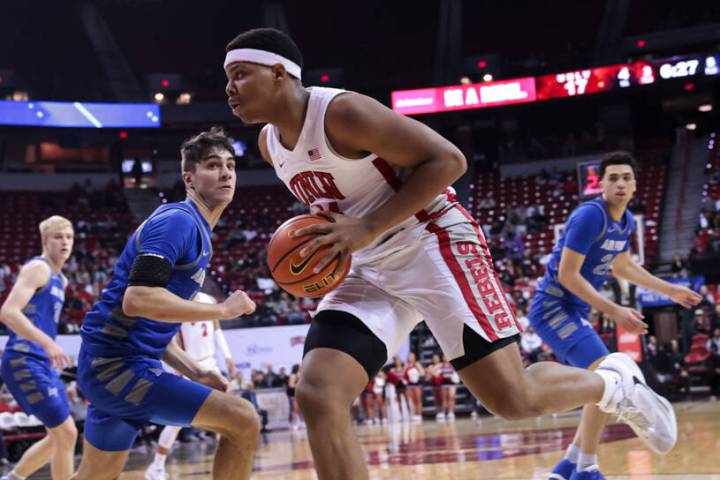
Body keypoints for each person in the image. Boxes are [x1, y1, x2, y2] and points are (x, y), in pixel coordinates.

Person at [224, 28, 677, 480]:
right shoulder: (269, 143)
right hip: (367, 267)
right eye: (228, 77)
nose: (229, 88)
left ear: (280, 73)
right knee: (318, 393)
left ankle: (614, 384)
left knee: (512, 400)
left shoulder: (342, 112)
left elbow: (448, 161)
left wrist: (367, 226)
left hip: (432, 243)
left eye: (240, 74)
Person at [71, 128, 260, 480]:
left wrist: (194, 370)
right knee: (243, 419)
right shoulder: (178, 221)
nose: (226, 173)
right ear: (189, 178)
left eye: (231, 165)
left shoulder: (197, 230)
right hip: (117, 367)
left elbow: (154, 324)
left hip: (113, 364)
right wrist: (222, 310)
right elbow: (138, 299)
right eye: (213, 165)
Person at [528, 152, 702, 480]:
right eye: (612, 178)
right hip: (552, 308)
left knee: (605, 381)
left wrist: (670, 290)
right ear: (601, 184)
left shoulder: (624, 220)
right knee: (606, 380)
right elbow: (567, 275)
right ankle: (585, 467)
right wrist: (615, 310)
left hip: (574, 309)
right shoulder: (589, 216)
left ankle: (571, 466)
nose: (620, 183)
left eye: (626, 177)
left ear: (635, 184)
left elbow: (621, 265)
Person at [0, 216, 78, 480]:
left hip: (41, 362)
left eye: (68, 237)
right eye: (58, 237)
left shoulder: (62, 281)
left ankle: (13, 478)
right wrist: (48, 343)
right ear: (45, 241)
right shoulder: (38, 268)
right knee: (66, 433)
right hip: (23, 358)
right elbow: (8, 312)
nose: (65, 242)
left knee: (60, 437)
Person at [144, 292, 237, 480]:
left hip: (210, 364)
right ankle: (157, 466)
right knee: (176, 423)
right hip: (189, 367)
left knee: (226, 417)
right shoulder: (177, 301)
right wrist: (175, 369)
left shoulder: (209, 300)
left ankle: (228, 469)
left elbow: (216, 330)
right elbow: (171, 342)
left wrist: (227, 356)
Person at [403, 352, 425, 422]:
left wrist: (415, 374)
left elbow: (423, 373)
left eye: (412, 356)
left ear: (414, 357)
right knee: (411, 401)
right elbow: (403, 375)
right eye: (409, 356)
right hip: (409, 385)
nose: (410, 358)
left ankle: (419, 414)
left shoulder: (417, 364)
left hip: (416, 385)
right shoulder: (406, 365)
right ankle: (413, 414)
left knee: (417, 400)